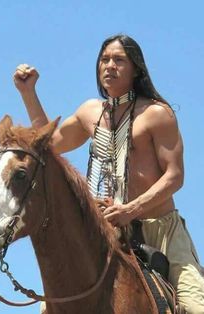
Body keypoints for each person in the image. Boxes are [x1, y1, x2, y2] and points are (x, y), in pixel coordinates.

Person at [13, 34, 204, 313]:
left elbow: (175, 176)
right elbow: (50, 146)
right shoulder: (90, 112)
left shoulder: (156, 114)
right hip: (105, 232)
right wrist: (28, 93)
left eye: (119, 60)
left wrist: (131, 209)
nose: (109, 66)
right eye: (104, 60)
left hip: (159, 229)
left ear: (136, 68)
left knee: (195, 307)